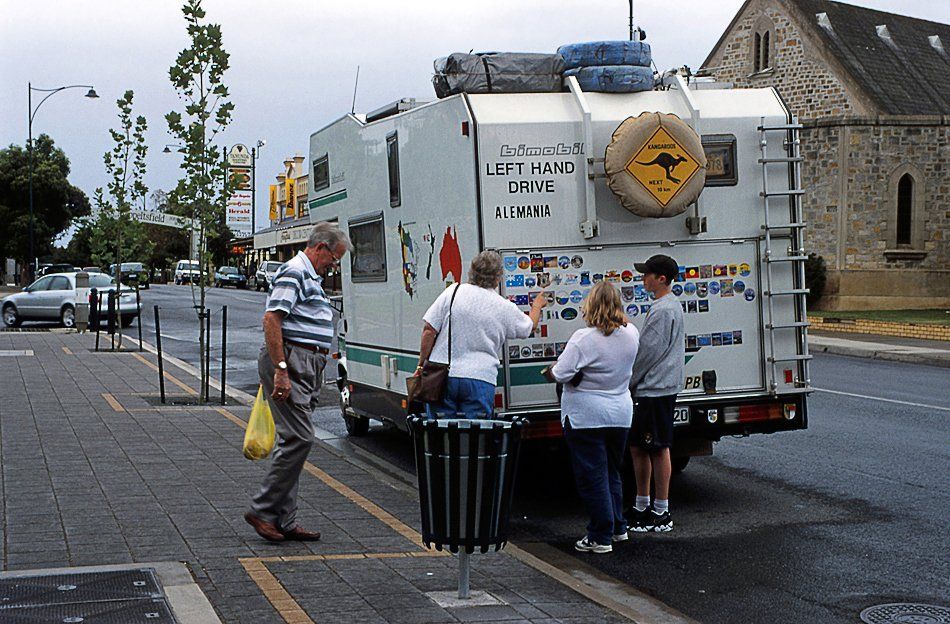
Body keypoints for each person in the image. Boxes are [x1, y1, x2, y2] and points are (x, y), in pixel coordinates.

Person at [244, 222, 352, 543]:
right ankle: (262, 510)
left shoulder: (310, 276)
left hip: (308, 365)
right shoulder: (294, 271)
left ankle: (285, 520)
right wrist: (281, 369)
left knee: (293, 442)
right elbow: (271, 318)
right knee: (301, 439)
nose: (334, 266)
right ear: (320, 247)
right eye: (333, 259)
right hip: (292, 361)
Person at [545, 282, 640, 554]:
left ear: (590, 306)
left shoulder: (583, 338)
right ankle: (618, 527)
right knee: (612, 471)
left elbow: (561, 374)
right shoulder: (631, 334)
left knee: (592, 476)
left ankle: (600, 536)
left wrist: (550, 370)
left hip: (586, 416)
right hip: (620, 413)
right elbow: (624, 326)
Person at [416, 250, 546, 419]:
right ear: (498, 277)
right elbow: (529, 328)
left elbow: (429, 330)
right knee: (478, 435)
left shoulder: (453, 292)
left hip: (443, 376)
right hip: (480, 378)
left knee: (441, 432)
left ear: (471, 272)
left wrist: (421, 365)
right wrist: (537, 306)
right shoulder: (503, 306)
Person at [627, 254, 685, 533]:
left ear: (661, 278)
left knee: (656, 447)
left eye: (647, 274)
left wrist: (627, 381)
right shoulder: (666, 306)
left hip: (654, 389)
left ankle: (661, 510)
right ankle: (642, 504)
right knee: (639, 447)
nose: (643, 279)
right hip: (656, 388)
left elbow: (647, 352)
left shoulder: (663, 310)